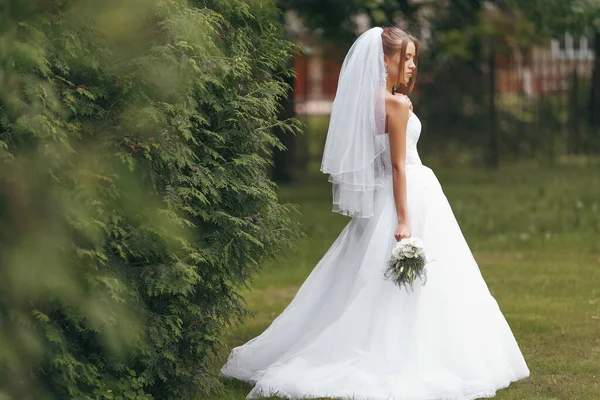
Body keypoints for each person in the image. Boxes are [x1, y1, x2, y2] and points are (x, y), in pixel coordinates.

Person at [221, 26, 530, 400]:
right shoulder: (398, 104)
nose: (412, 66)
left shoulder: (367, 102)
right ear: (385, 60)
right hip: (407, 195)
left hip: (381, 198)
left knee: (363, 278)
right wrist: (403, 219)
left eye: (415, 58)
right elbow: (399, 166)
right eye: (407, 57)